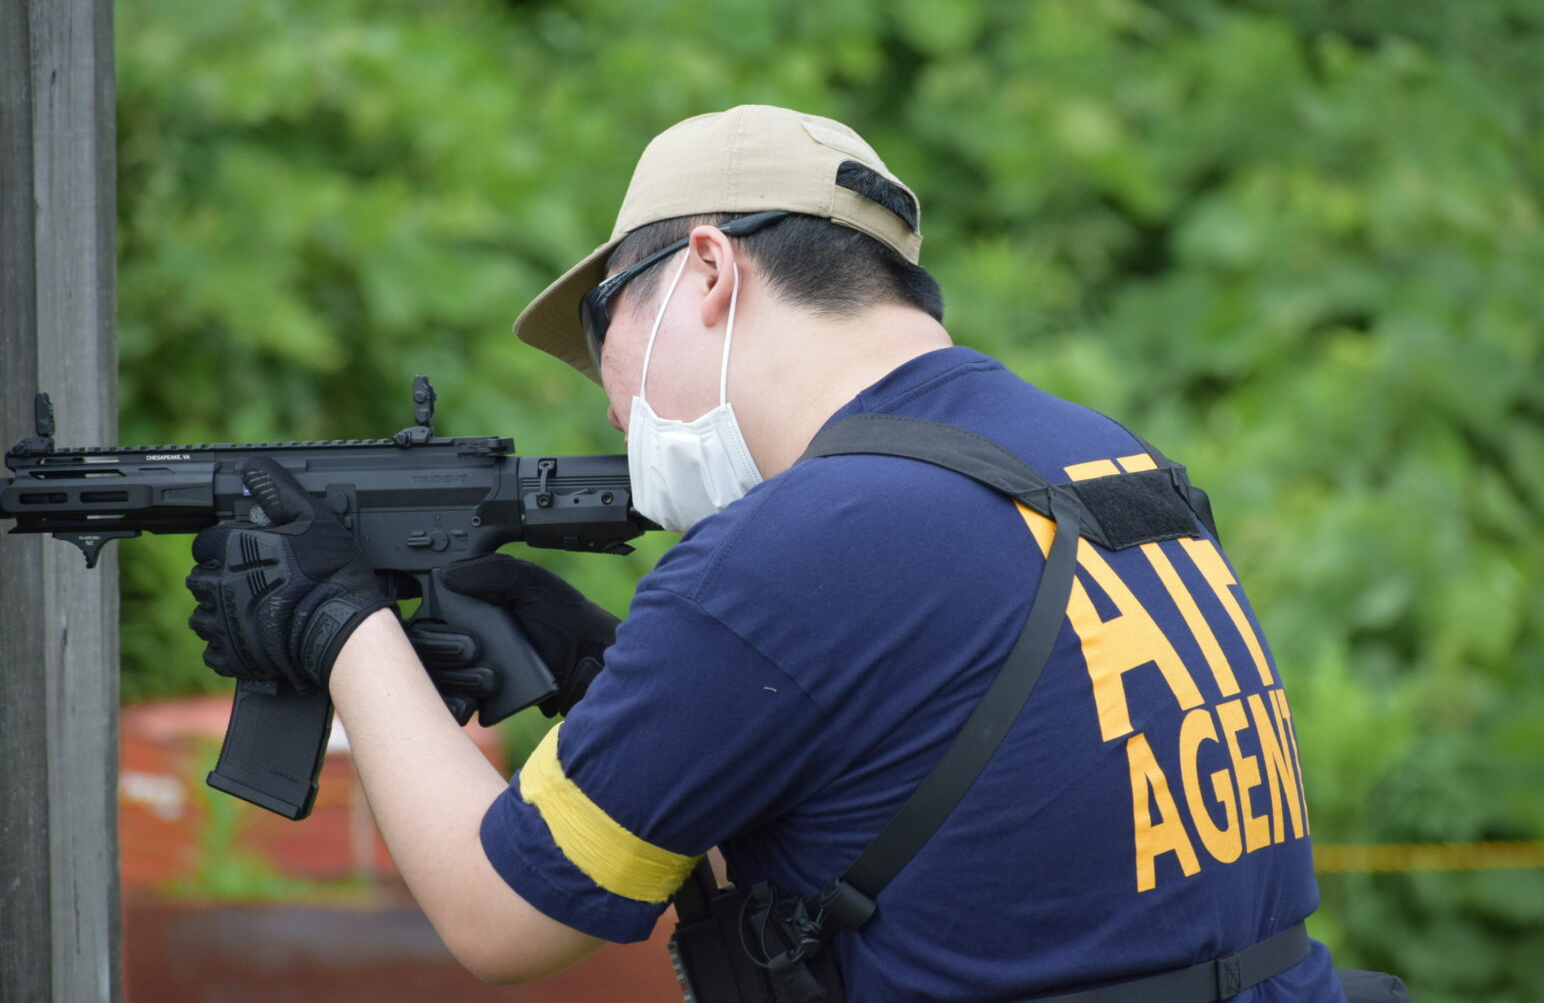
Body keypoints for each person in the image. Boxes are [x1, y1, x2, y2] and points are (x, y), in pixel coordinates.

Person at [184, 105, 1347, 1001]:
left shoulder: (796, 552)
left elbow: (501, 917)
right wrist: (618, 684)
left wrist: (339, 624)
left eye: (602, 330)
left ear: (707, 270)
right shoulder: (1092, 456)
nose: (610, 404)